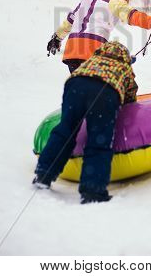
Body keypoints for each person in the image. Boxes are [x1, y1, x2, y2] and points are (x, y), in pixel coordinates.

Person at [33, 41, 138, 204]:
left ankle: (44, 174)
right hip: (105, 90)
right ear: (125, 57)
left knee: (65, 130)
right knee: (99, 139)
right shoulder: (124, 67)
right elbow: (131, 95)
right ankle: (92, 190)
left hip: (75, 83)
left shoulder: (92, 61)